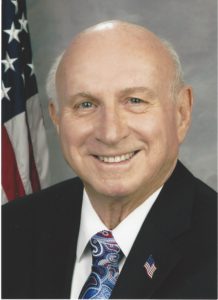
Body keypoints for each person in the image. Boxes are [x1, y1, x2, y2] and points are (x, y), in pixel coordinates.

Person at [2, 20, 217, 299]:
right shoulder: (7, 232)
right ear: (56, 118)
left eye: (135, 101)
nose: (111, 133)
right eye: (86, 105)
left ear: (181, 113)